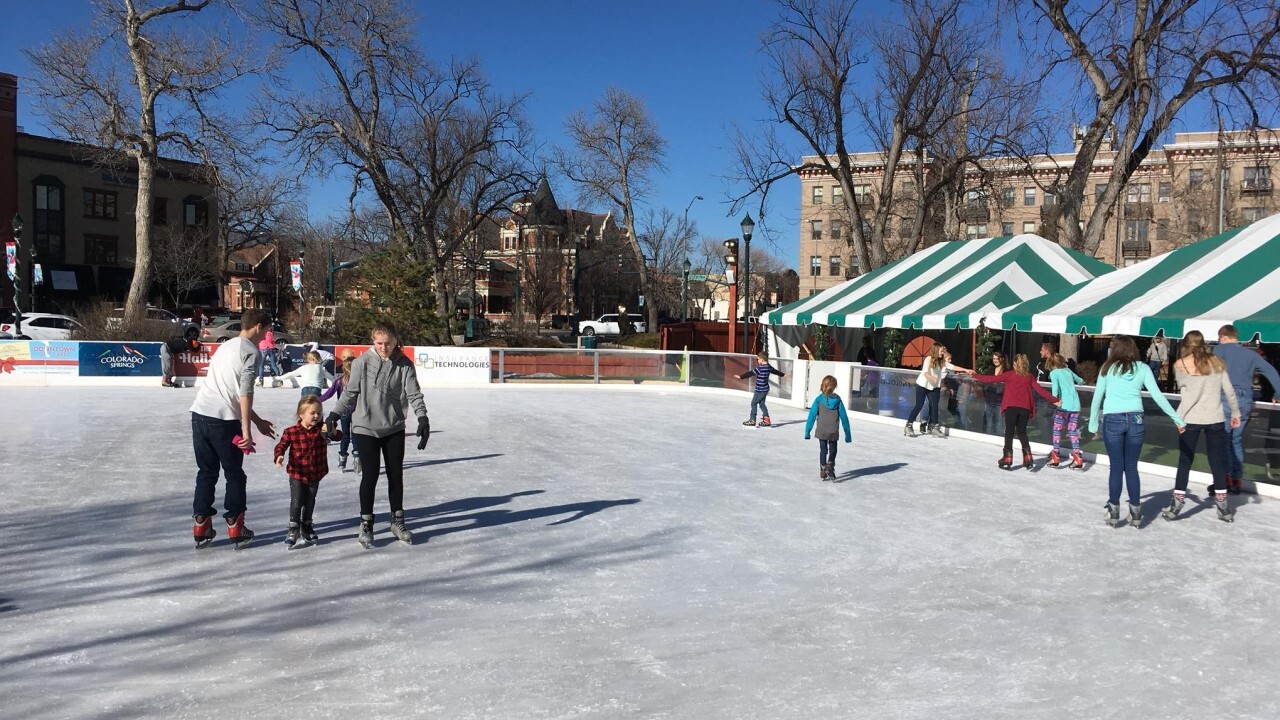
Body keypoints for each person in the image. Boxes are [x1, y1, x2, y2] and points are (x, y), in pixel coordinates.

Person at [327, 323, 429, 549]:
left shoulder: (404, 364)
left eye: (388, 343)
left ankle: (397, 521)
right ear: (373, 341)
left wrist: (422, 418)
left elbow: (414, 393)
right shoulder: (362, 363)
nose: (384, 347)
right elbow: (350, 392)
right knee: (370, 476)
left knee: (396, 475)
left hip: (393, 427)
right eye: (379, 343)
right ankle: (366, 523)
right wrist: (334, 413)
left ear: (395, 341)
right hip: (365, 427)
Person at [188, 308, 277, 549]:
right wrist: (247, 431)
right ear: (259, 327)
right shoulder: (251, 352)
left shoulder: (225, 346)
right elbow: (245, 393)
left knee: (206, 472)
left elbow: (231, 391)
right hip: (223, 421)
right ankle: (235, 524)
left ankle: (201, 522)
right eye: (267, 329)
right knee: (234, 473)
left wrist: (257, 421)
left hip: (199, 415)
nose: (268, 334)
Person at [1089, 335, 1185, 528]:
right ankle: (1135, 511)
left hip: (1113, 419)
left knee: (1116, 467)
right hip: (1136, 419)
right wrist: (1177, 419)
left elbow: (1097, 396)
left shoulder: (1107, 369)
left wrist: (1092, 423)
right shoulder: (1142, 368)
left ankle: (1114, 509)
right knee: (1131, 467)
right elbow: (1157, 396)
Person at [1164, 330, 1240, 523]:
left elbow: (1183, 388)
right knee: (1217, 462)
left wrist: (1177, 419)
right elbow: (1229, 390)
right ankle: (1223, 506)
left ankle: (1177, 503)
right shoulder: (1216, 362)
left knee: (1185, 461)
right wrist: (1236, 413)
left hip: (1189, 418)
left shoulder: (1180, 365)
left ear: (1186, 344)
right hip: (1215, 418)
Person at [1213, 324, 1280, 494]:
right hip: (1246, 398)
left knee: (1224, 439)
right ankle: (1237, 478)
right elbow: (1271, 372)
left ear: (1224, 337)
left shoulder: (1218, 351)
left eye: (1220, 338)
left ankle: (1226, 477)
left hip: (1225, 396)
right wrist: (1278, 393)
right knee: (1235, 440)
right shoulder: (1250, 354)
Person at [971, 353, 1059, 470]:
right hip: (1025, 409)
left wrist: (975, 375)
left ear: (1015, 364)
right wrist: (1055, 400)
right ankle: (1027, 456)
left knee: (1009, 432)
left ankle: (1007, 457)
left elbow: (991, 379)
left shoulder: (1010, 375)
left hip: (1012, 407)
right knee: (1022, 432)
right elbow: (1041, 391)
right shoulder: (1029, 377)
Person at [274, 395, 332, 549]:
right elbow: (281, 446)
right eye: (312, 413)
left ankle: (306, 526)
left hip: (316, 472)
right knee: (297, 501)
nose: (316, 416)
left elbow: (337, 435)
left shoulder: (321, 430)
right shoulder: (291, 431)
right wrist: (279, 456)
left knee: (310, 501)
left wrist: (330, 429)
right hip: (297, 473)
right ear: (301, 414)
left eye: (318, 413)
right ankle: (293, 527)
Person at [905, 344, 971, 438]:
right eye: (941, 351)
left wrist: (966, 370)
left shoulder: (942, 361)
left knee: (934, 406)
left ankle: (934, 427)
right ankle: (909, 425)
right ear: (936, 351)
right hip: (923, 385)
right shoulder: (928, 359)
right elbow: (925, 372)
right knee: (919, 405)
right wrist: (932, 377)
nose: (942, 353)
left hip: (934, 387)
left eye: (943, 351)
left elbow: (953, 367)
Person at [804, 375, 852, 481]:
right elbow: (844, 417)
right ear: (834, 387)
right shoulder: (837, 400)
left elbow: (811, 416)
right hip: (833, 431)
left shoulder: (819, 399)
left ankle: (823, 467)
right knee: (833, 449)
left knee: (823, 450)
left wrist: (807, 431)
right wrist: (848, 434)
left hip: (822, 431)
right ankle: (830, 464)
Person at [320, 349, 359, 472]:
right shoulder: (360, 382)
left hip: (343, 412)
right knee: (356, 435)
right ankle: (357, 455)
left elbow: (328, 394)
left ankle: (343, 457)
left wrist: (316, 400)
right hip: (358, 412)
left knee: (346, 435)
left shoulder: (339, 381)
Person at [1046, 353, 1085, 469]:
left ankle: (1055, 455)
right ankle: (1077, 457)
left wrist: (1054, 400)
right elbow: (1081, 381)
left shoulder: (1054, 373)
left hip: (1063, 407)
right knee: (1073, 431)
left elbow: (1055, 389)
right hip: (1075, 406)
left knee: (1057, 430)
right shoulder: (1068, 370)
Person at [737, 352, 787, 427]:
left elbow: (751, 373)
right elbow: (776, 371)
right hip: (763, 389)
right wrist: (783, 375)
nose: (757, 361)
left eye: (758, 359)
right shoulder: (769, 367)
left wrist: (741, 377)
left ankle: (752, 420)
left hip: (760, 389)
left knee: (754, 403)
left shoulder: (760, 368)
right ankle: (766, 420)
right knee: (761, 404)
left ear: (762, 359)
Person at [981, 351, 1007, 436]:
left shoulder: (1006, 371)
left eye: (997, 358)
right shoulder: (990, 370)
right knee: (989, 425)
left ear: (1002, 359)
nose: (995, 360)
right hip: (989, 400)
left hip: (1000, 401)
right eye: (994, 358)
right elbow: (984, 382)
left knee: (999, 426)